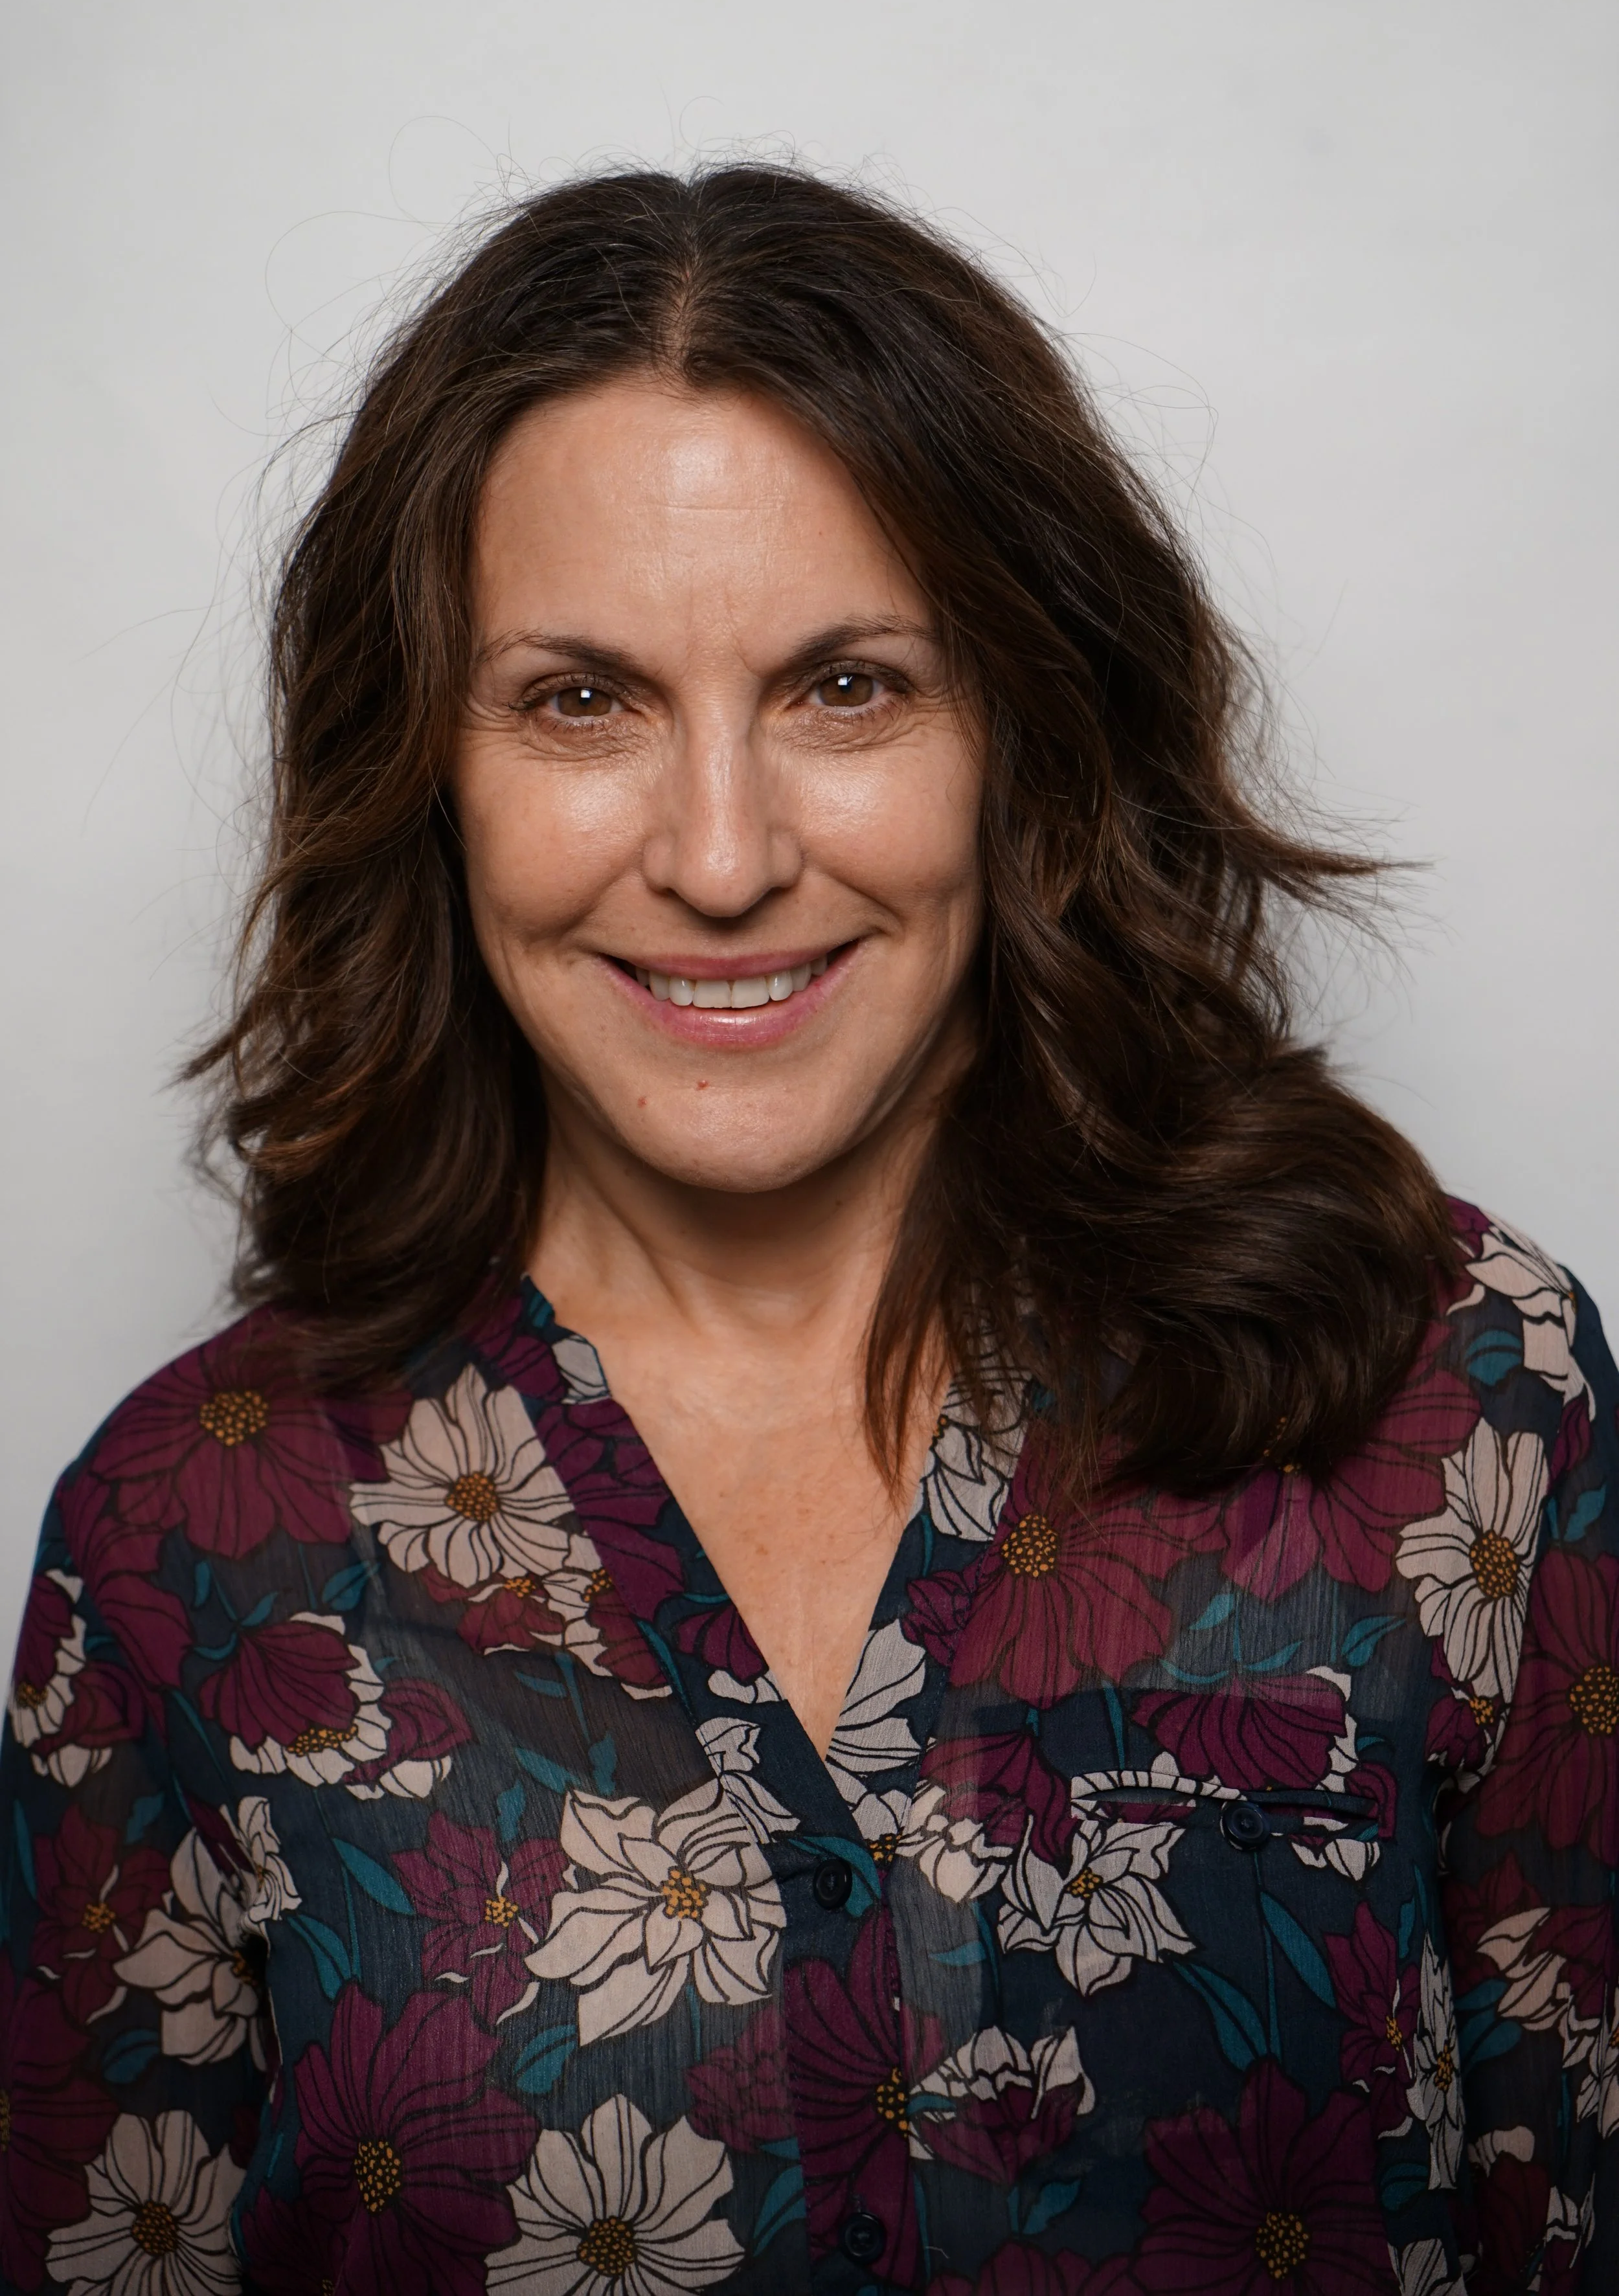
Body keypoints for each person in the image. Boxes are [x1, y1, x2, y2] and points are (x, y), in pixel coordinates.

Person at [0, 164, 1612, 2296]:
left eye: (847, 685)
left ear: (1022, 733)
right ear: (429, 771)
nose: (725, 854)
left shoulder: (1453, 1390)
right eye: (580, 698)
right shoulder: (188, 1536)